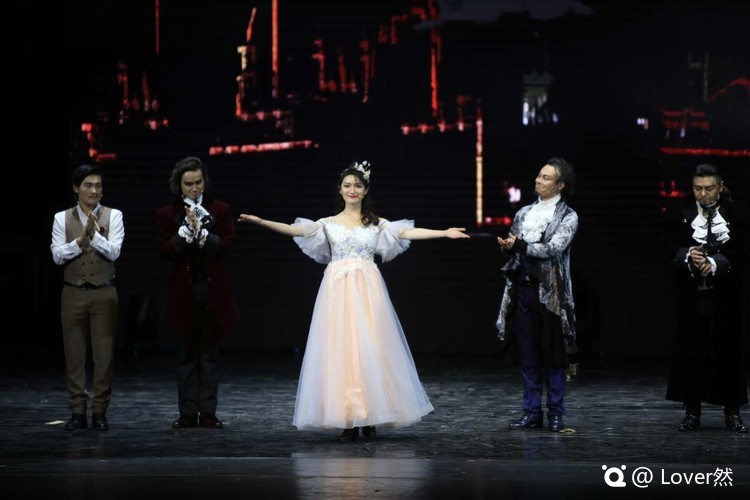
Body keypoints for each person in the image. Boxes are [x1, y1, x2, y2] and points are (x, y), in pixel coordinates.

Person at [238, 160, 469, 442]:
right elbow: (294, 229)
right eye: (347, 185)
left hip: (369, 292)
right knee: (342, 351)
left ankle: (370, 414)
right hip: (337, 294)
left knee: (372, 349)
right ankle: (348, 417)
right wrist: (261, 222)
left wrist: (444, 232)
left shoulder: (376, 224)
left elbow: (407, 232)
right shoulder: (327, 224)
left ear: (365, 189)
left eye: (358, 185)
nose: (352, 190)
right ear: (340, 189)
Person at [662, 163, 748, 432]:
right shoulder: (679, 213)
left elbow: (744, 249)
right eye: (698, 188)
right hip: (691, 293)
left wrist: (718, 262)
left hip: (727, 294)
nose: (703, 194)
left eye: (709, 188)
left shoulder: (737, 213)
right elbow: (666, 244)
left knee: (728, 352)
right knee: (690, 350)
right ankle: (692, 412)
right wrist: (687, 255)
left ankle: (732, 412)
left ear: (720, 187)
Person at [156, 156, 239, 429]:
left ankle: (209, 412)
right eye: (188, 184)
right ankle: (188, 413)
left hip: (212, 291)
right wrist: (183, 236)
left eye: (198, 182)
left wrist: (206, 237)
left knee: (210, 354)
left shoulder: (220, 210)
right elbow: (164, 251)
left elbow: (228, 246)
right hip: (184, 293)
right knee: (186, 355)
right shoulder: (168, 213)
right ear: (179, 185)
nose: (194, 188)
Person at [495, 157, 578, 432]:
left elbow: (553, 248)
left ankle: (556, 413)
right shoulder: (523, 213)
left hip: (551, 295)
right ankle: (531, 412)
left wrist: (519, 245)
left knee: (553, 354)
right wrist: (508, 246)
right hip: (523, 290)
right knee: (528, 352)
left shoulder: (568, 216)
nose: (538, 180)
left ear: (560, 185)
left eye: (546, 177)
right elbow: (516, 246)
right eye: (539, 175)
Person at [50, 164, 124, 431]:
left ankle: (100, 411)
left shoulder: (114, 215)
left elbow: (114, 251)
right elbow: (57, 255)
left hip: (104, 292)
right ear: (76, 188)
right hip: (73, 292)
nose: (94, 190)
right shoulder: (62, 218)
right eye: (88, 185)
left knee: (103, 356)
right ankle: (77, 412)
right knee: (74, 355)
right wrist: (79, 241)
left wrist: (94, 238)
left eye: (98, 185)